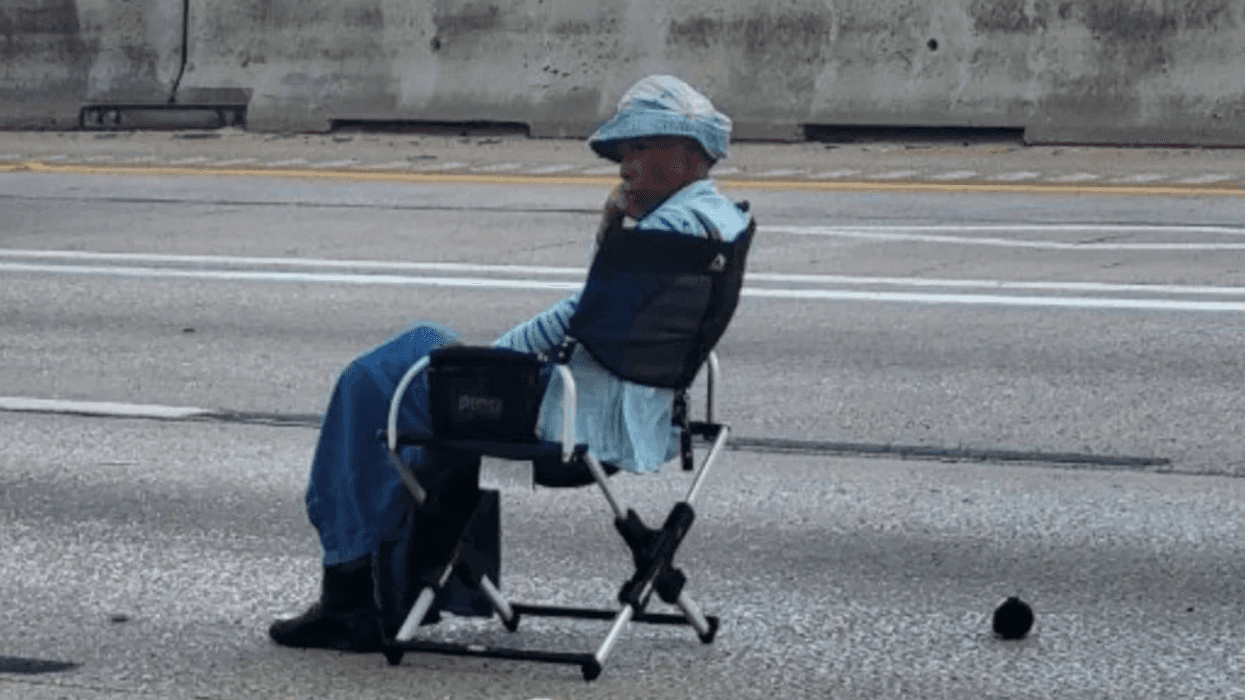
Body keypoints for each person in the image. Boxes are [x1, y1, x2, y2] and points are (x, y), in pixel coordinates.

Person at [268, 75, 753, 652]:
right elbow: (614, 321)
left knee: (374, 382)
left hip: (573, 416)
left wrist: (498, 357)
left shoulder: (664, 234)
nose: (625, 165)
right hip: (642, 408)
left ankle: (350, 594)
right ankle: (425, 582)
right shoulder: (719, 221)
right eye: (623, 152)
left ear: (686, 154)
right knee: (420, 349)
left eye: (639, 149)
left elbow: (583, 317)